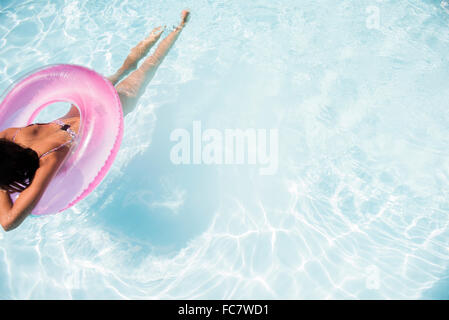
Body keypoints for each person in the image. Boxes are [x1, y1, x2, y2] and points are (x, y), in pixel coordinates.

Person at [0, 10, 190, 232]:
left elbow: (8, 222)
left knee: (151, 66)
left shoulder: (48, 160)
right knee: (123, 68)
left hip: (107, 114)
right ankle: (164, 26)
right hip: (84, 100)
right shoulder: (10, 134)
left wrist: (2, 187)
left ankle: (180, 28)